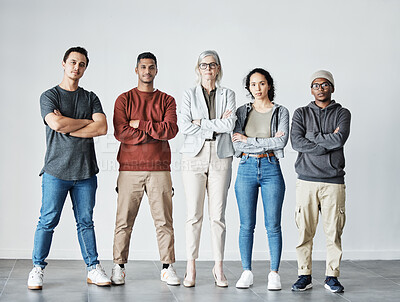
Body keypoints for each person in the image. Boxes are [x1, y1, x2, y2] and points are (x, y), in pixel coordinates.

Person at [28, 47, 110, 290]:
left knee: (86, 221)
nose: (77, 67)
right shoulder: (49, 96)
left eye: (82, 64)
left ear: (85, 68)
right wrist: (86, 123)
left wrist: (68, 126)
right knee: (47, 221)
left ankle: (93, 268)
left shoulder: (90, 97)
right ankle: (37, 268)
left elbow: (102, 128)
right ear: (63, 63)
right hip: (56, 171)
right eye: (73, 62)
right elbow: (54, 122)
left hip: (85, 172)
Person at [111, 52, 180, 286]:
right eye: (143, 67)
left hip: (160, 168)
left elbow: (170, 130)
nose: (147, 71)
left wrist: (139, 124)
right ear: (136, 70)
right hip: (129, 168)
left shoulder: (167, 100)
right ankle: (118, 266)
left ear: (156, 71)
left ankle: (167, 267)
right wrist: (154, 132)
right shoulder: (124, 99)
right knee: (124, 221)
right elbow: (121, 132)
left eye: (151, 67)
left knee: (164, 221)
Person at [179, 50, 236, 287]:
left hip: (221, 155)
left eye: (212, 65)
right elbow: (184, 126)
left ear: (219, 68)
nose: (208, 69)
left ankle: (218, 267)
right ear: (198, 69)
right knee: (194, 214)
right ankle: (190, 266)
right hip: (194, 155)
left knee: (218, 215)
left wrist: (200, 123)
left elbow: (230, 124)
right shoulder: (188, 94)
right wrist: (215, 125)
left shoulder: (228, 93)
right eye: (204, 65)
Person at [290, 70, 351, 293]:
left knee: (333, 232)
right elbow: (296, 142)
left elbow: (340, 138)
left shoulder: (343, 113)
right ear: (311, 89)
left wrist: (312, 137)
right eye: (316, 85)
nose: (320, 88)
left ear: (332, 88)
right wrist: (326, 141)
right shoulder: (301, 113)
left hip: (333, 181)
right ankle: (304, 275)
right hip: (306, 180)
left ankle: (331, 276)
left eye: (325, 84)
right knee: (304, 231)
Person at [232, 68, 289, 291]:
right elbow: (237, 144)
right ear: (248, 88)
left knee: (273, 225)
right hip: (245, 167)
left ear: (269, 85)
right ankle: (247, 271)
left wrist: (249, 139)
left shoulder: (281, 111)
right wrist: (261, 141)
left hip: (271, 167)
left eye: (262, 83)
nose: (258, 88)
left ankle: (274, 273)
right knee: (246, 225)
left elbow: (281, 143)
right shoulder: (241, 111)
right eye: (253, 84)